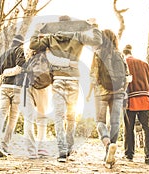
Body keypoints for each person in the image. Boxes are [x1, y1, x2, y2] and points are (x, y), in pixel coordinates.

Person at [29, 16, 102, 162]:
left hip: (58, 80)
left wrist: (36, 30)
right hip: (74, 80)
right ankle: (69, 147)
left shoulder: (50, 38)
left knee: (58, 116)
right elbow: (97, 41)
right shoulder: (79, 36)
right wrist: (94, 26)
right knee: (71, 116)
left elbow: (33, 45)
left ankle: (62, 150)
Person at [86, 29, 130, 166]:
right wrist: (123, 89)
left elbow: (93, 77)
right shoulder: (120, 54)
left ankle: (107, 143)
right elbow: (128, 76)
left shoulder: (98, 53)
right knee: (115, 123)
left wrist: (88, 94)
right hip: (118, 92)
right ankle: (110, 153)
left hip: (101, 93)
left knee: (100, 121)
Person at [0, 34, 26, 157]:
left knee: (1, 114)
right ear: (21, 43)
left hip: (4, 87)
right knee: (12, 118)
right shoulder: (20, 50)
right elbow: (19, 69)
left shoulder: (4, 54)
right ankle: (5, 146)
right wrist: (7, 72)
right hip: (16, 88)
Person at [122, 44, 149, 165]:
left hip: (130, 100)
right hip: (144, 98)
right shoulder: (144, 63)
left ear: (123, 53)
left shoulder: (124, 62)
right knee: (147, 129)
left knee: (129, 128)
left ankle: (129, 154)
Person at [20, 48, 50, 159]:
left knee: (28, 119)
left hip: (26, 86)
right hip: (43, 88)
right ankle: (42, 147)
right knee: (42, 118)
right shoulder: (49, 53)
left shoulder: (29, 53)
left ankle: (31, 151)